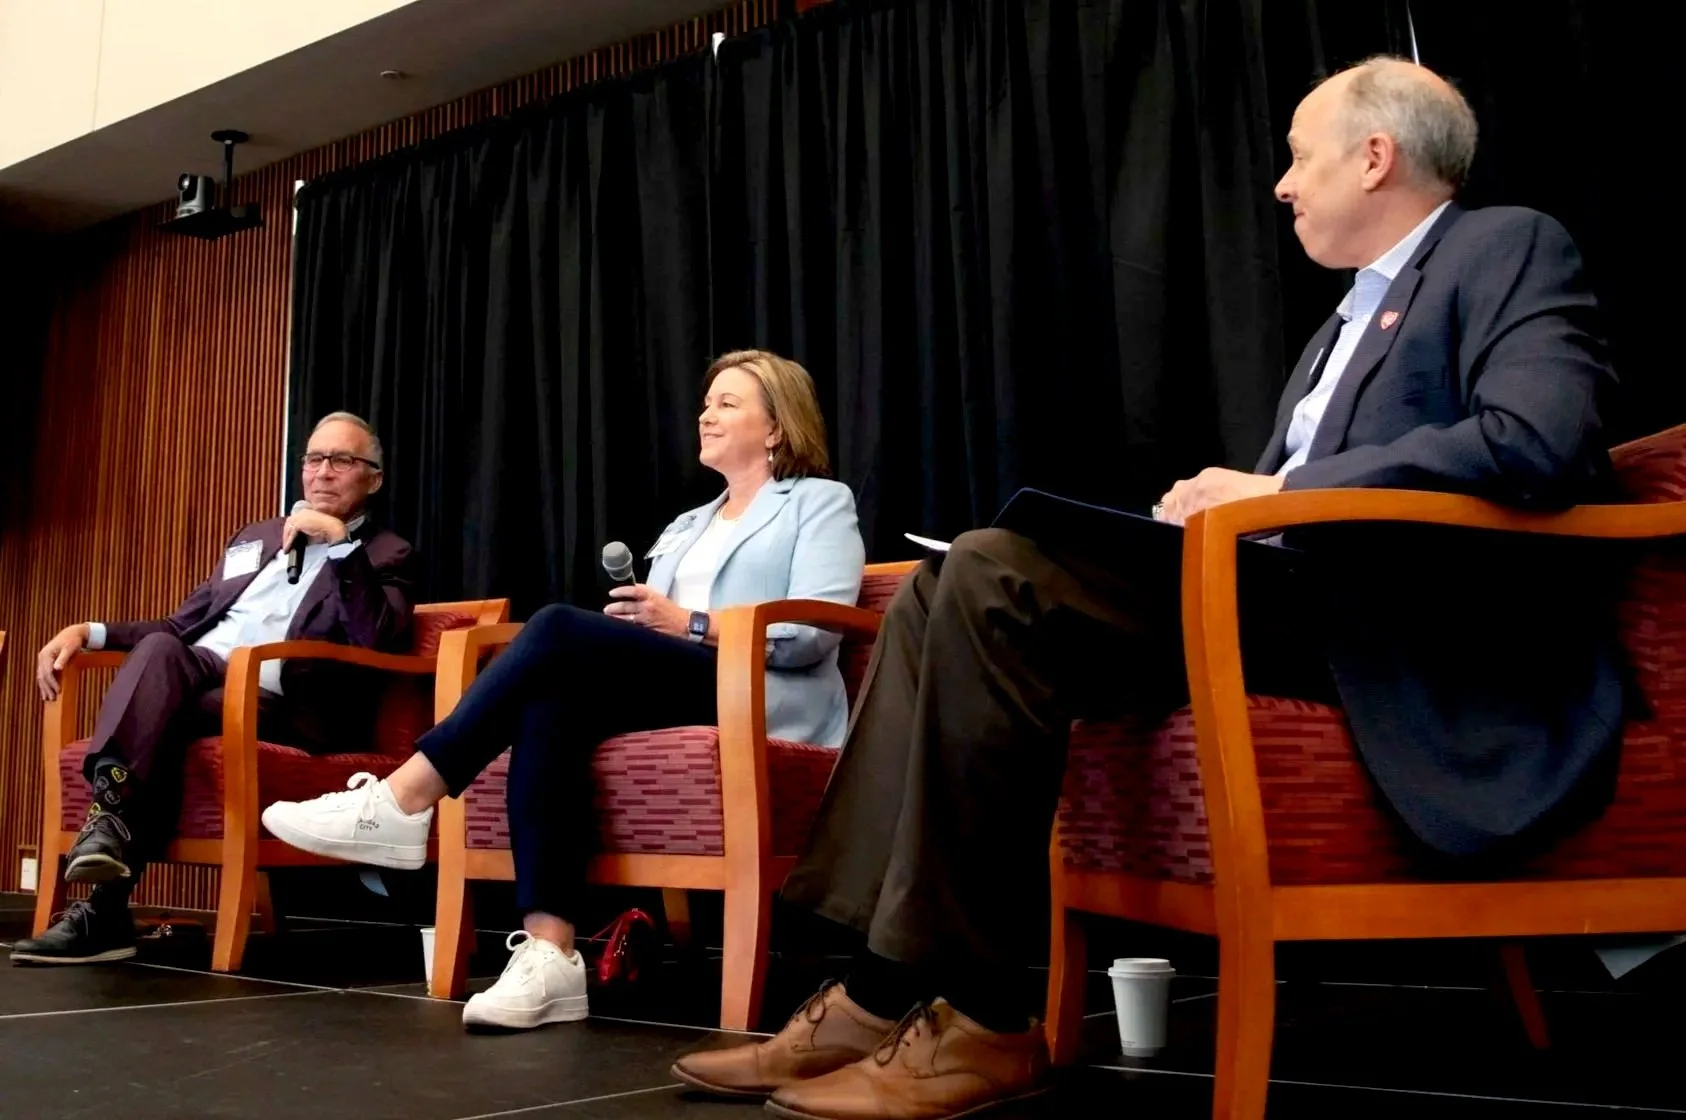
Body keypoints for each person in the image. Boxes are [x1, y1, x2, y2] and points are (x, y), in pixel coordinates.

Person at [672, 57, 1622, 1120]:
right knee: (943, 585)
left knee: (992, 571)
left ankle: (977, 1017)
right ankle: (878, 986)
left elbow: (1542, 440)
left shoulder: (1504, 246)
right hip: (1280, 596)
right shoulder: (1333, 329)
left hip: (1397, 623)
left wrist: (1277, 489)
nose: (1282, 184)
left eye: (1300, 156)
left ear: (1375, 155)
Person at [262, 349, 866, 1032]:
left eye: (727, 402)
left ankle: (406, 798)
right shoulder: (686, 525)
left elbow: (814, 633)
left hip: (757, 690)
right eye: (706, 402)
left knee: (552, 628)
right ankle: (550, 956)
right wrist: (639, 629)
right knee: (551, 703)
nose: (706, 413)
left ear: (777, 427)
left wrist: (688, 622)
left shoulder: (819, 502)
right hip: (677, 683)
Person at [13, 412, 416, 966]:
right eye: (314, 459)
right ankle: (107, 830)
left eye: (342, 460)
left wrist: (342, 548)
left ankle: (104, 900)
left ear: (372, 478)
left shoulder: (386, 553)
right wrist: (91, 632)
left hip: (282, 704)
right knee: (159, 657)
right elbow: (180, 627)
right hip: (201, 680)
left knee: (161, 719)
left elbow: (378, 640)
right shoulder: (257, 537)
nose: (323, 473)